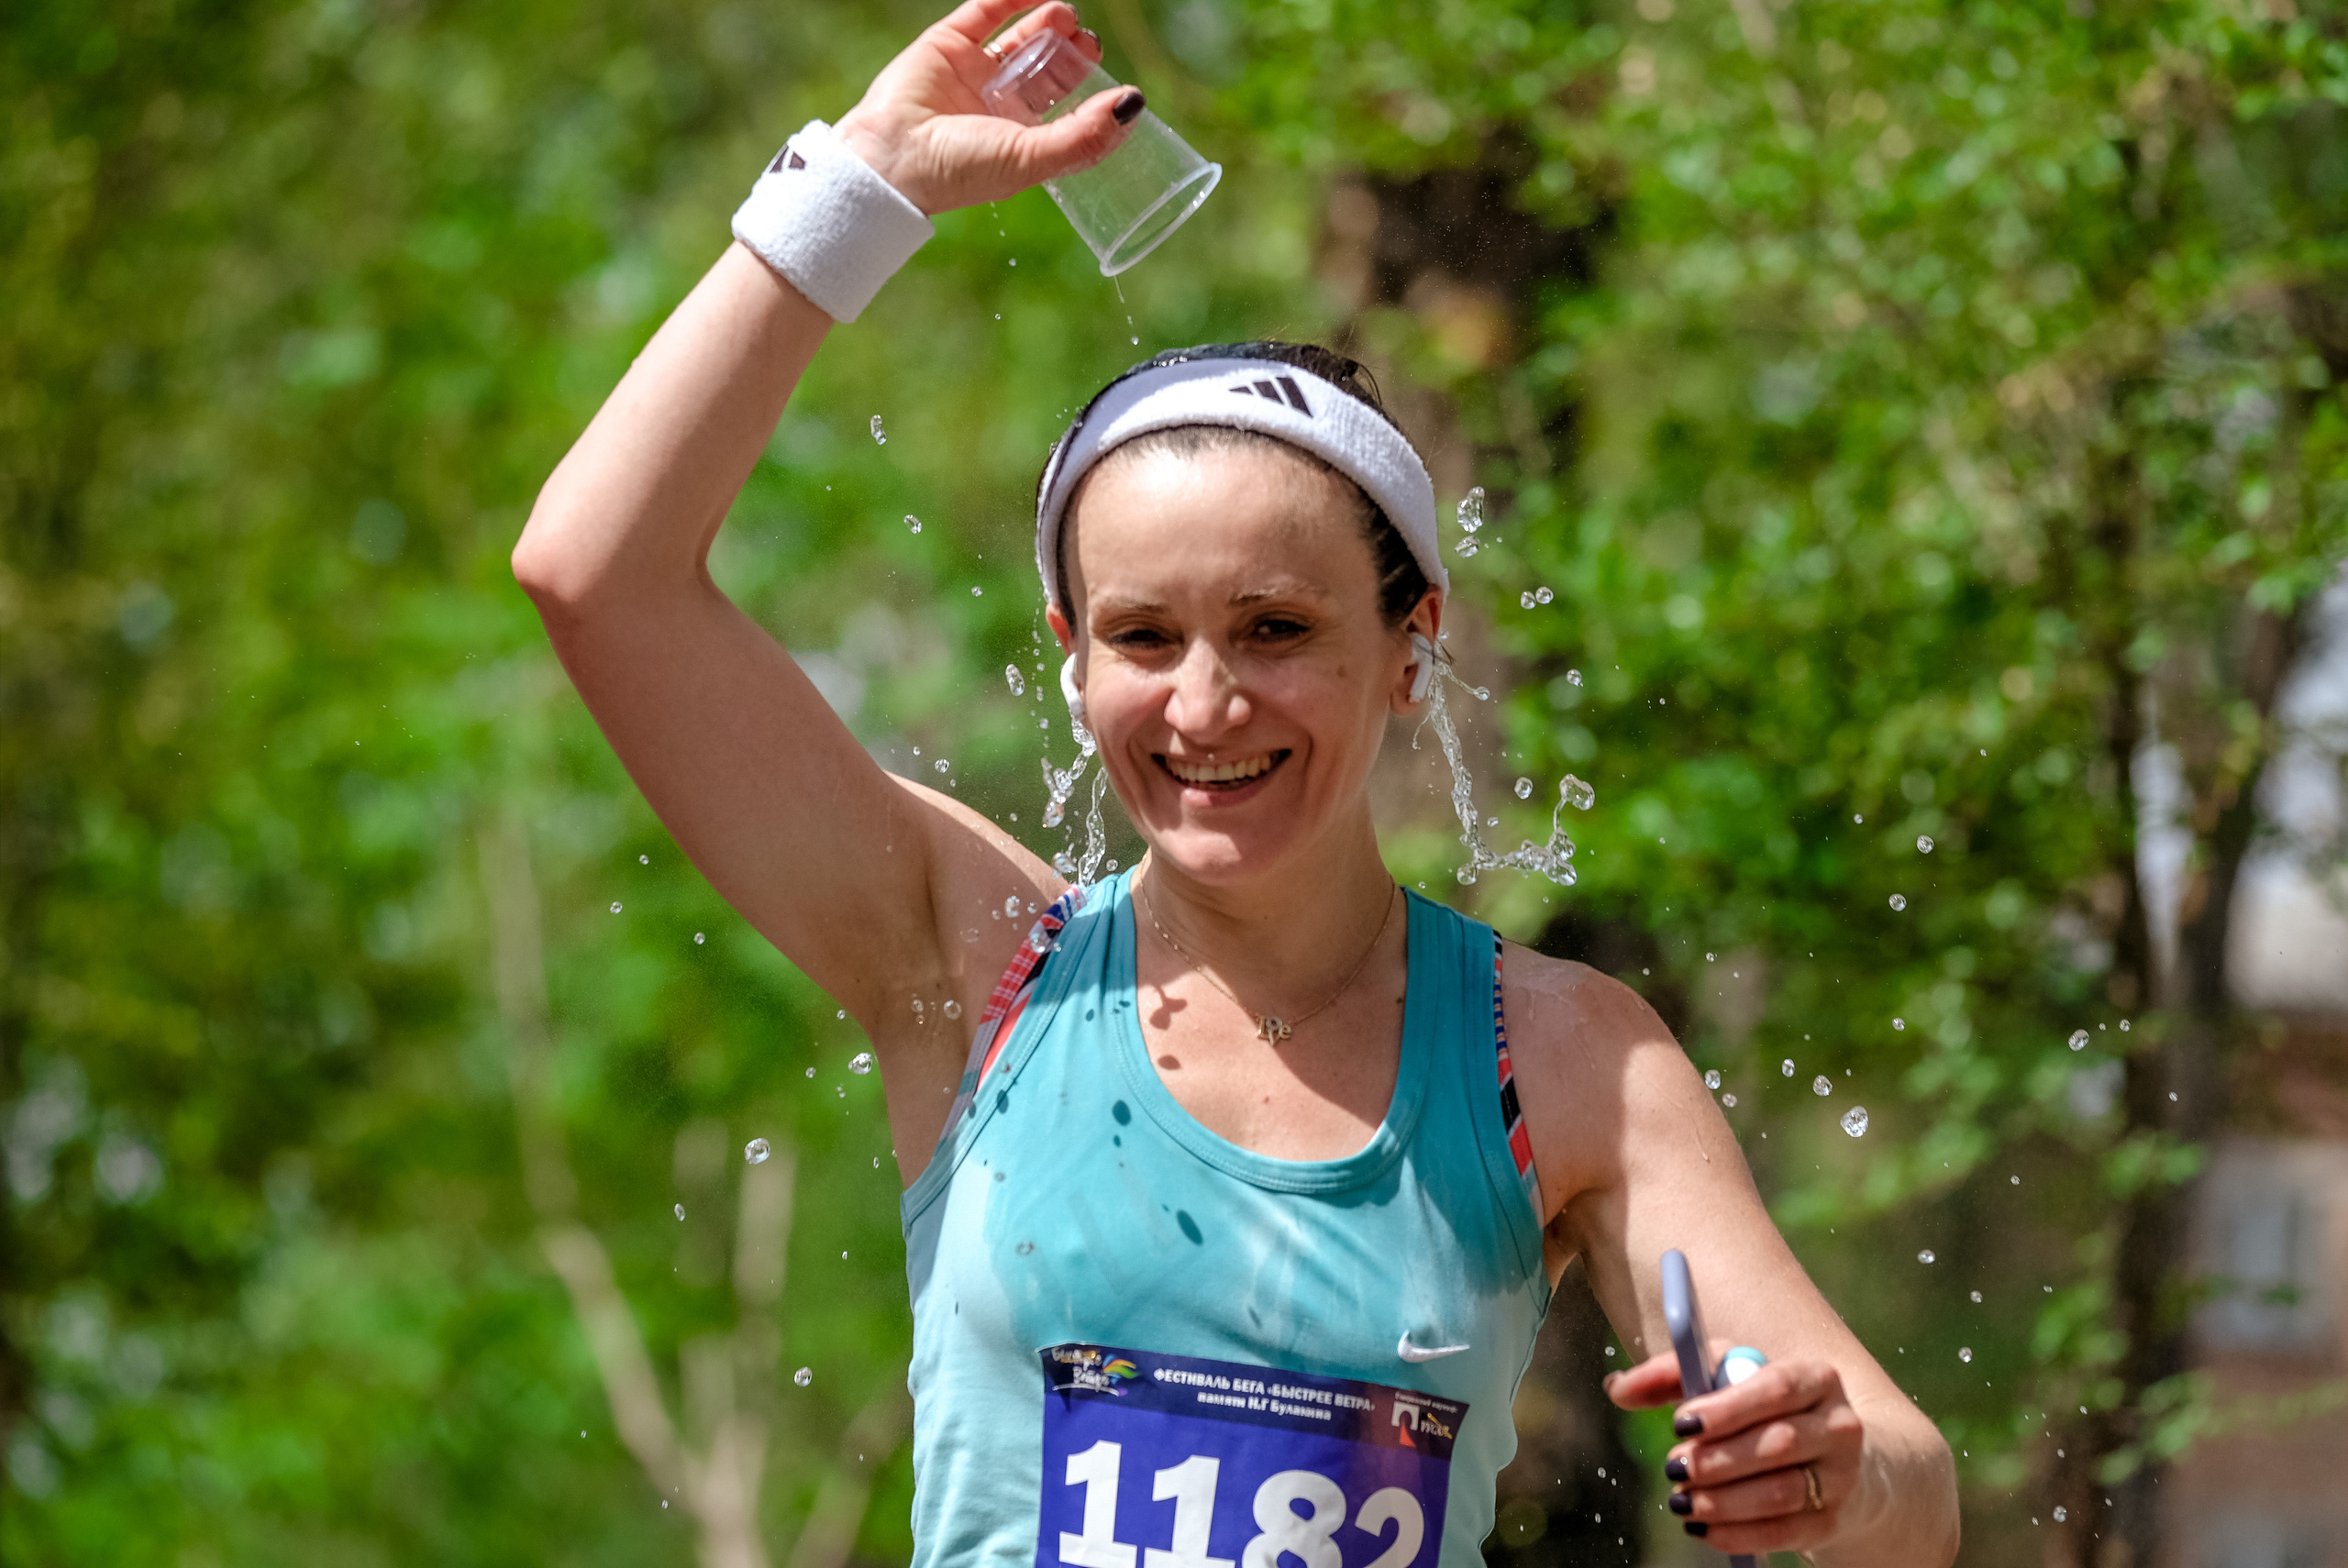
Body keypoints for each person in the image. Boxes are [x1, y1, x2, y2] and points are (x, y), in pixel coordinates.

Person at [510, 2, 1961, 1562]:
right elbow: (596, 575)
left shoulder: (1561, 1053)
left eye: (1276, 628)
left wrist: (1829, 1468)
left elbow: (1912, 1495)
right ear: (1072, 654)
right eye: (1144, 634)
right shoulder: (974, 961)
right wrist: (862, 182)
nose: (1205, 703)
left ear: (1411, 644)